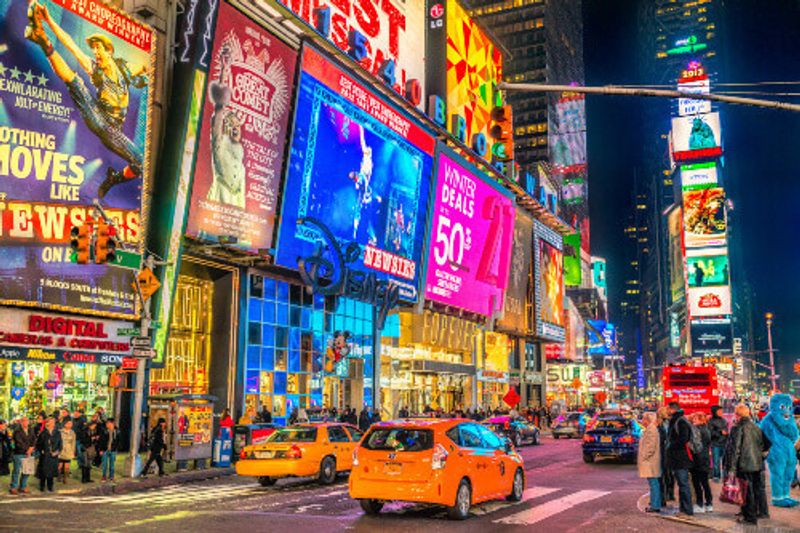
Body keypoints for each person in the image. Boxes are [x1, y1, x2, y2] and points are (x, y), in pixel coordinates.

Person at [24, 1, 148, 198]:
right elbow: (70, 43)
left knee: (140, 163)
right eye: (94, 49)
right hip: (99, 118)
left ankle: (113, 179)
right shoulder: (95, 70)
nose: (96, 53)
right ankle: (42, 39)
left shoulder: (123, 69)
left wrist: (147, 70)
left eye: (99, 48)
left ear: (109, 51)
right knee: (76, 82)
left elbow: (142, 66)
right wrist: (49, 20)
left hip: (115, 130)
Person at [728, 404, 766, 525]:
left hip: (743, 464)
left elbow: (735, 449)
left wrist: (732, 468)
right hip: (756, 464)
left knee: (745, 492)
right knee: (753, 490)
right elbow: (765, 445)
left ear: (737, 414)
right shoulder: (756, 427)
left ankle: (749, 518)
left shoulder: (738, 428)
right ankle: (751, 514)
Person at [666, 401, 694, 516]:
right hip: (678, 457)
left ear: (672, 409)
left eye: (668, 409)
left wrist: (671, 445)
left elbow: (684, 439)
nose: (667, 411)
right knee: (682, 484)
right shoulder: (678, 420)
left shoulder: (680, 421)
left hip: (681, 457)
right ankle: (683, 508)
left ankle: (687, 510)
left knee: (683, 484)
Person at [638, 412, 662, 513]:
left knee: (654, 483)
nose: (642, 421)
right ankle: (654, 503)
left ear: (647, 420)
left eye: (643, 419)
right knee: (653, 483)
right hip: (650, 461)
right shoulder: (650, 429)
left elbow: (650, 447)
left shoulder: (651, 429)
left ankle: (655, 505)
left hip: (650, 461)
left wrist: (644, 456)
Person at [689, 412, 713, 513]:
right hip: (705, 459)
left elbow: (695, 446)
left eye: (695, 419)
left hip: (697, 459)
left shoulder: (697, 431)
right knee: (705, 483)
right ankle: (709, 503)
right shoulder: (706, 429)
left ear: (700, 420)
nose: (693, 421)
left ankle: (700, 504)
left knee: (697, 483)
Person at [10, 416, 36, 494]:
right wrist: (27, 450)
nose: (25, 422)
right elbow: (18, 443)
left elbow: (34, 439)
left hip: (29, 453)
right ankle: (13, 487)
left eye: (27, 421)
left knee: (26, 471)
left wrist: (31, 448)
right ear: (21, 422)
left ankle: (23, 486)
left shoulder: (31, 429)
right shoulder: (17, 431)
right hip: (19, 453)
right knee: (16, 471)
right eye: (23, 421)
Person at [35, 417, 62, 492]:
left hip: (54, 455)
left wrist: (57, 452)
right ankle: (42, 486)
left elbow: (60, 444)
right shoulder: (43, 433)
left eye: (53, 422)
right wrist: (41, 451)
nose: (53, 423)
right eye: (51, 422)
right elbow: (38, 444)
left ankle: (50, 486)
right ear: (47, 423)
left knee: (51, 471)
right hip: (45, 455)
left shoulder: (57, 433)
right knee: (44, 471)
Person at [707, 405, 728, 482]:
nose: (721, 412)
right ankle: (716, 476)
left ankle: (725, 476)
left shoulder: (724, 420)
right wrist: (720, 432)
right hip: (715, 444)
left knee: (725, 461)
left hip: (724, 443)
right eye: (719, 411)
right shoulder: (711, 421)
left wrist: (726, 434)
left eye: (721, 411)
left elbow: (726, 429)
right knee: (716, 461)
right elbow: (710, 433)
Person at [58, 418, 76, 484]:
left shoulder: (72, 432)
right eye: (68, 423)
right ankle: (59, 476)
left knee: (67, 466)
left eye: (71, 424)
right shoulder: (60, 431)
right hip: (61, 450)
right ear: (65, 424)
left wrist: (73, 451)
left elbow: (73, 443)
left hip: (69, 450)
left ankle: (65, 478)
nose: (70, 425)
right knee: (60, 465)